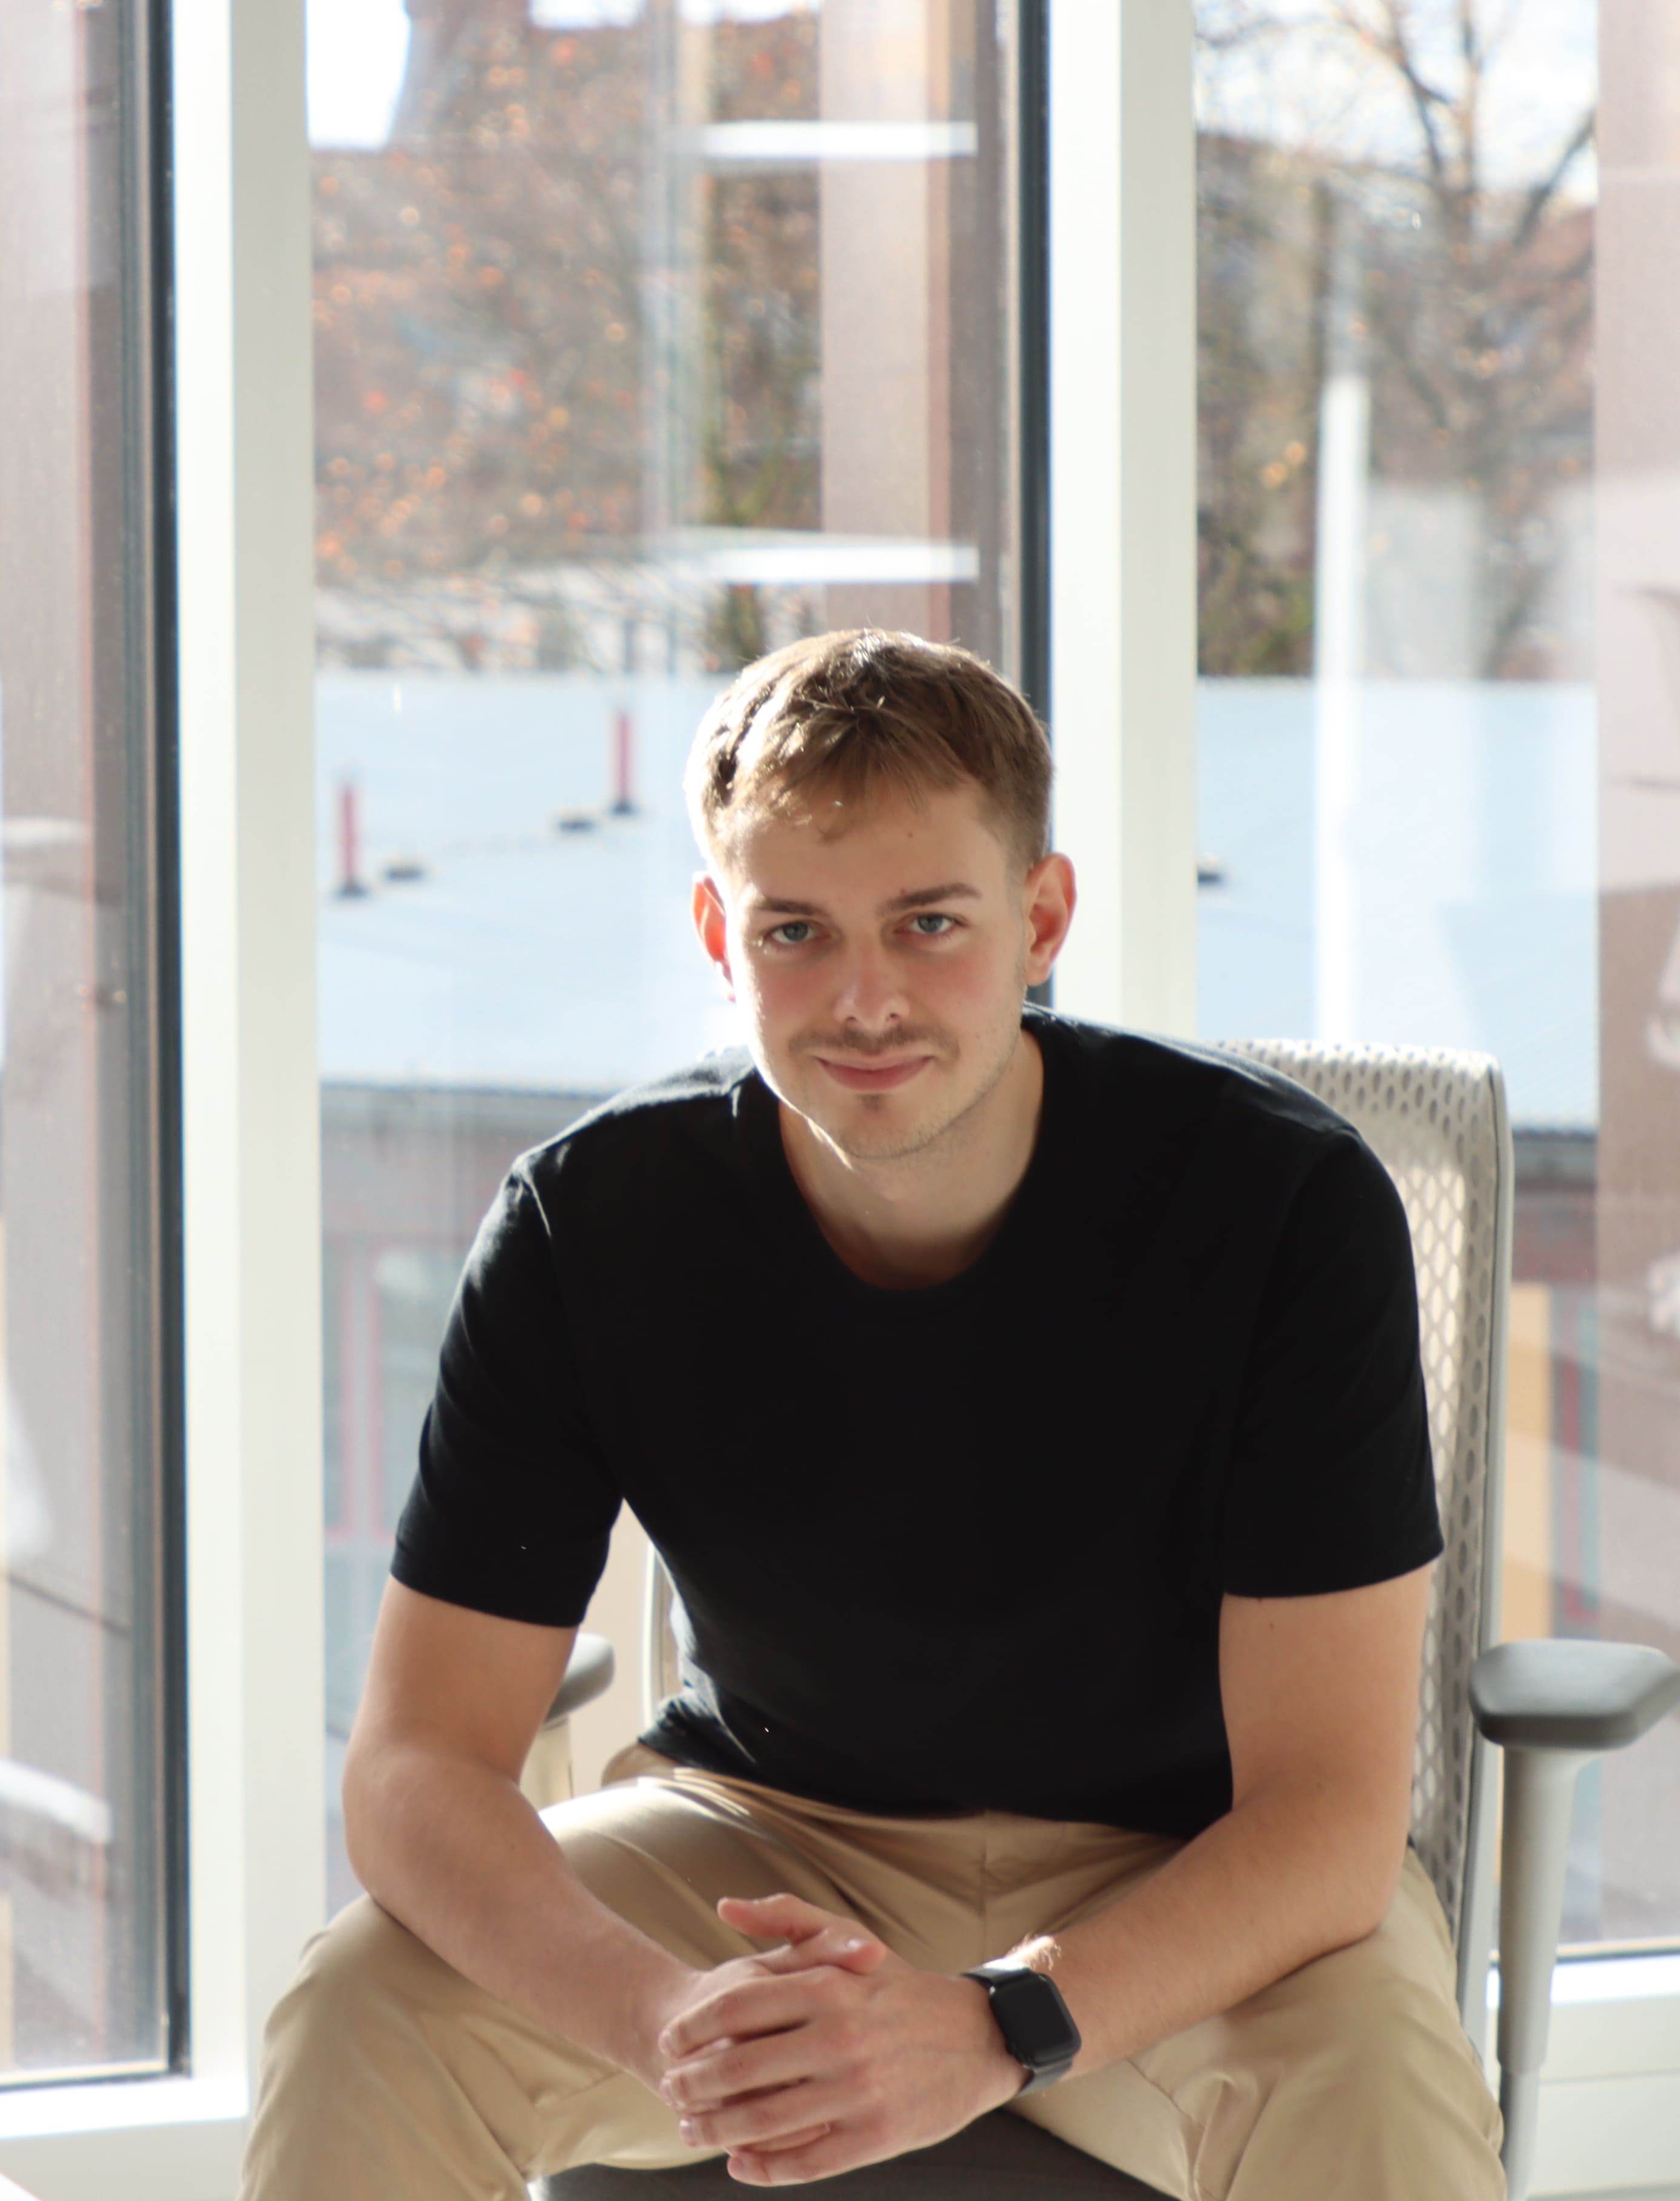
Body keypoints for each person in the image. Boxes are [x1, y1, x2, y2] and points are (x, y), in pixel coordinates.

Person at [246, 630, 1502, 2196]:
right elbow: (414, 1767)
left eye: (930, 923)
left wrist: (995, 2026)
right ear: (719, 936)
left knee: (1375, 2089)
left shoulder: (1283, 1205)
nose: (865, 999)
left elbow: (1325, 1815)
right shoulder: (591, 1222)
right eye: (796, 931)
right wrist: (665, 2021)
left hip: (1182, 1870)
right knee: (364, 2006)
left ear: (1041, 919)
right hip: (764, 1840)